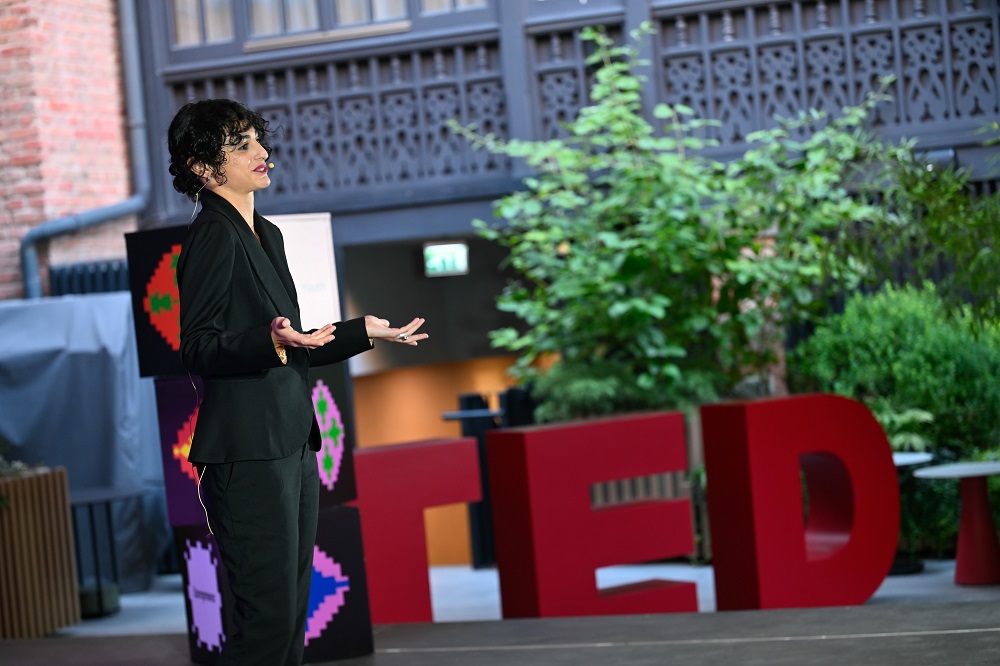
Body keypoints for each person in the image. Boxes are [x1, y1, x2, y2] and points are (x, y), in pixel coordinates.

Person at [168, 98, 427, 666]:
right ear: (201, 166)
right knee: (268, 623)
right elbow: (199, 347)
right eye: (242, 145)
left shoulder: (266, 232)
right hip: (248, 453)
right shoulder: (212, 234)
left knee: (288, 620)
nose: (263, 153)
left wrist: (363, 332)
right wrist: (274, 341)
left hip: (289, 444)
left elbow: (295, 345)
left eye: (259, 140)